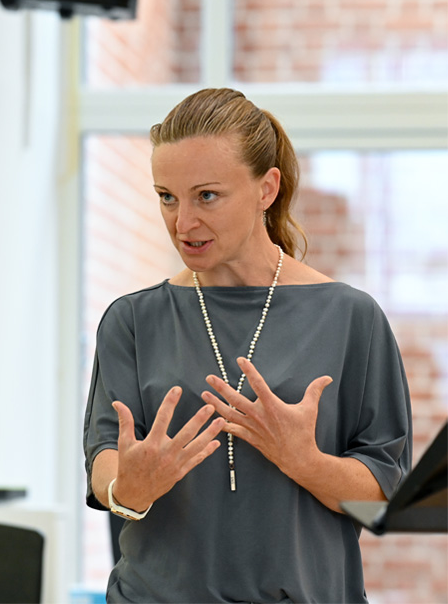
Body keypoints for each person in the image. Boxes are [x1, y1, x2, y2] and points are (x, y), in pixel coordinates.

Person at [82, 88, 412, 603]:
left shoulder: (352, 318)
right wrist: (129, 488)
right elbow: (105, 456)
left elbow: (386, 492)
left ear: (266, 189)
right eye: (167, 196)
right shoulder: (132, 320)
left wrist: (303, 460)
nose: (182, 222)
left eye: (206, 196)